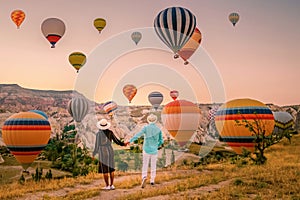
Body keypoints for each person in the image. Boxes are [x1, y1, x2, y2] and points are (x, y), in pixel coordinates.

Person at [129, 114, 164, 188]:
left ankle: (144, 177)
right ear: (155, 120)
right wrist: (157, 145)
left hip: (146, 149)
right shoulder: (158, 129)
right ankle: (152, 180)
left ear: (148, 120)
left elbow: (138, 134)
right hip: (154, 150)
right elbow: (161, 141)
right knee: (153, 165)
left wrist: (131, 140)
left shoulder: (145, 127)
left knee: (145, 164)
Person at [93, 118, 128, 190]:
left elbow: (97, 145)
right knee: (111, 169)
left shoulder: (98, 134)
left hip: (102, 152)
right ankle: (112, 185)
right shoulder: (110, 133)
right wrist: (123, 144)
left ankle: (107, 185)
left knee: (105, 169)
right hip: (110, 150)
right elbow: (116, 141)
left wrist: (94, 153)